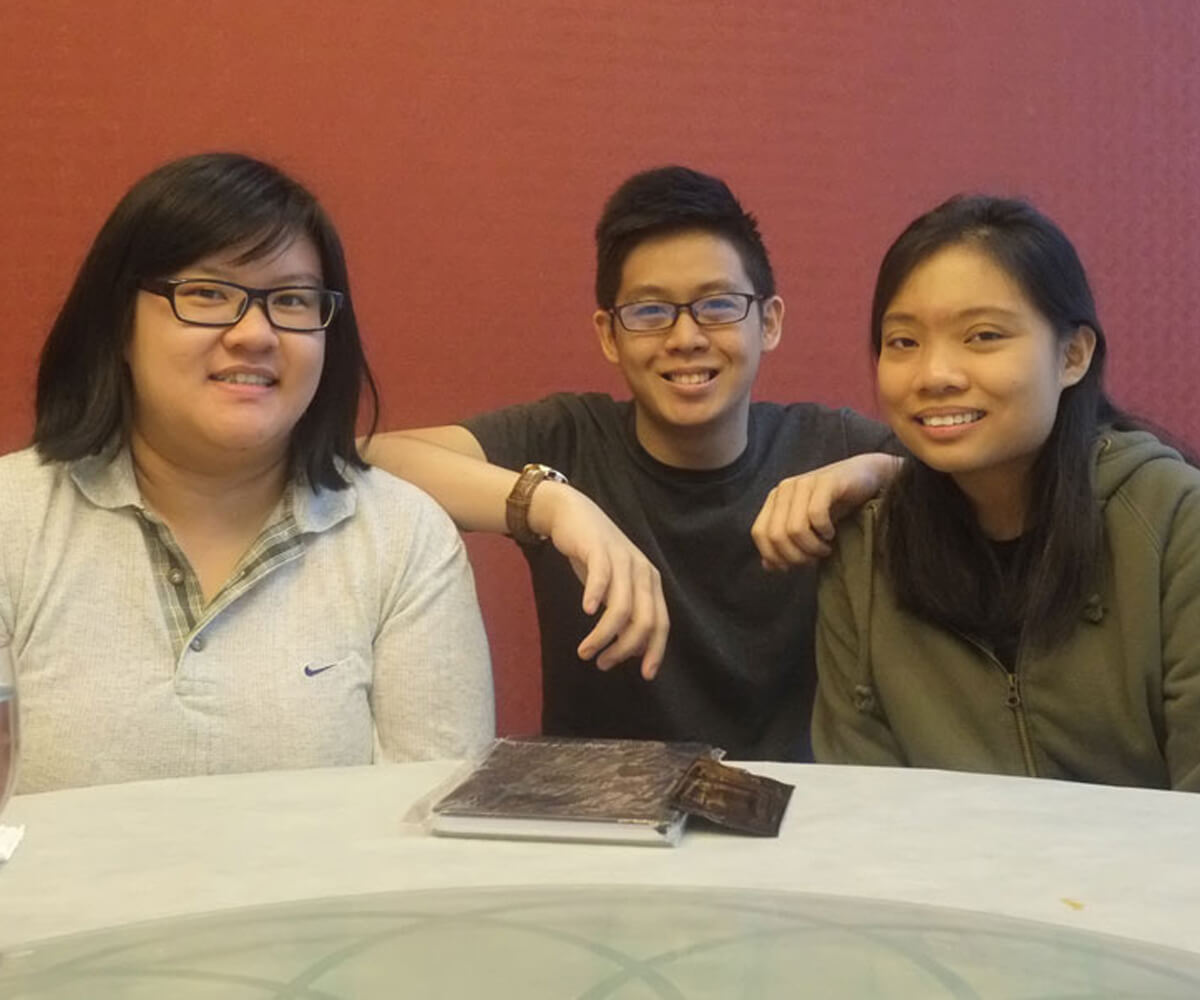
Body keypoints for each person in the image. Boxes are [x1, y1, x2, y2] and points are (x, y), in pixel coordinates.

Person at [365, 166, 898, 759]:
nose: (686, 336)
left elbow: (988, 484)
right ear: (609, 335)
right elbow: (363, 460)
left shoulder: (829, 447)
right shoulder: (568, 440)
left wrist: (878, 472)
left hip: (787, 818)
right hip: (596, 820)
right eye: (650, 312)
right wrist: (551, 504)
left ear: (768, 321)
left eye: (718, 305)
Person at [0, 153, 494, 793]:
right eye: (208, 293)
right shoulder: (12, 519)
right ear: (119, 323)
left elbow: (435, 831)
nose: (255, 333)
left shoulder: (405, 541)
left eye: (291, 299)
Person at [810, 194, 1200, 791]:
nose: (935, 375)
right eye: (904, 342)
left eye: (983, 335)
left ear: (1072, 355)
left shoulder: (1175, 522)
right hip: (933, 885)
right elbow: (864, 810)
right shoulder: (866, 552)